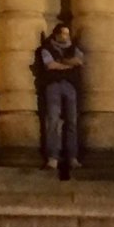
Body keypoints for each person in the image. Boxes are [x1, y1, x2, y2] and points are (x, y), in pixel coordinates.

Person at [34, 19, 84, 181]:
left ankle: (72, 158)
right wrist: (67, 65)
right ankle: (52, 158)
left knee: (72, 122)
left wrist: (61, 63)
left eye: (67, 34)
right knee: (53, 121)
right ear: (56, 34)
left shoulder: (74, 48)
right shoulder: (46, 48)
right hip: (53, 86)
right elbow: (49, 65)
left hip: (70, 87)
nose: (65, 36)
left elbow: (78, 61)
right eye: (62, 33)